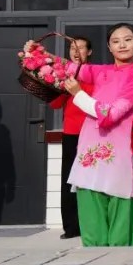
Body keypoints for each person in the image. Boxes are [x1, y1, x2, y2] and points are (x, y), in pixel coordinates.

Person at [27, 24, 133, 247]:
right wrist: (39, 53)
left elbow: (111, 114)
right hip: (91, 155)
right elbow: (67, 66)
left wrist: (78, 94)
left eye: (128, 39)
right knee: (91, 225)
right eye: (115, 41)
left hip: (122, 156)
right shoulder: (101, 72)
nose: (122, 45)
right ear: (109, 47)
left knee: (121, 227)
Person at [49, 36, 93, 240]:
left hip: (92, 133)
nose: (76, 51)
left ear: (89, 52)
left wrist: (79, 90)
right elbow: (55, 104)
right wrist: (60, 85)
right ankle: (71, 227)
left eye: (81, 48)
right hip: (71, 134)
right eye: (72, 47)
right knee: (69, 180)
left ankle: (90, 225)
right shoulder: (64, 74)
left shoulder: (94, 74)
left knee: (90, 180)